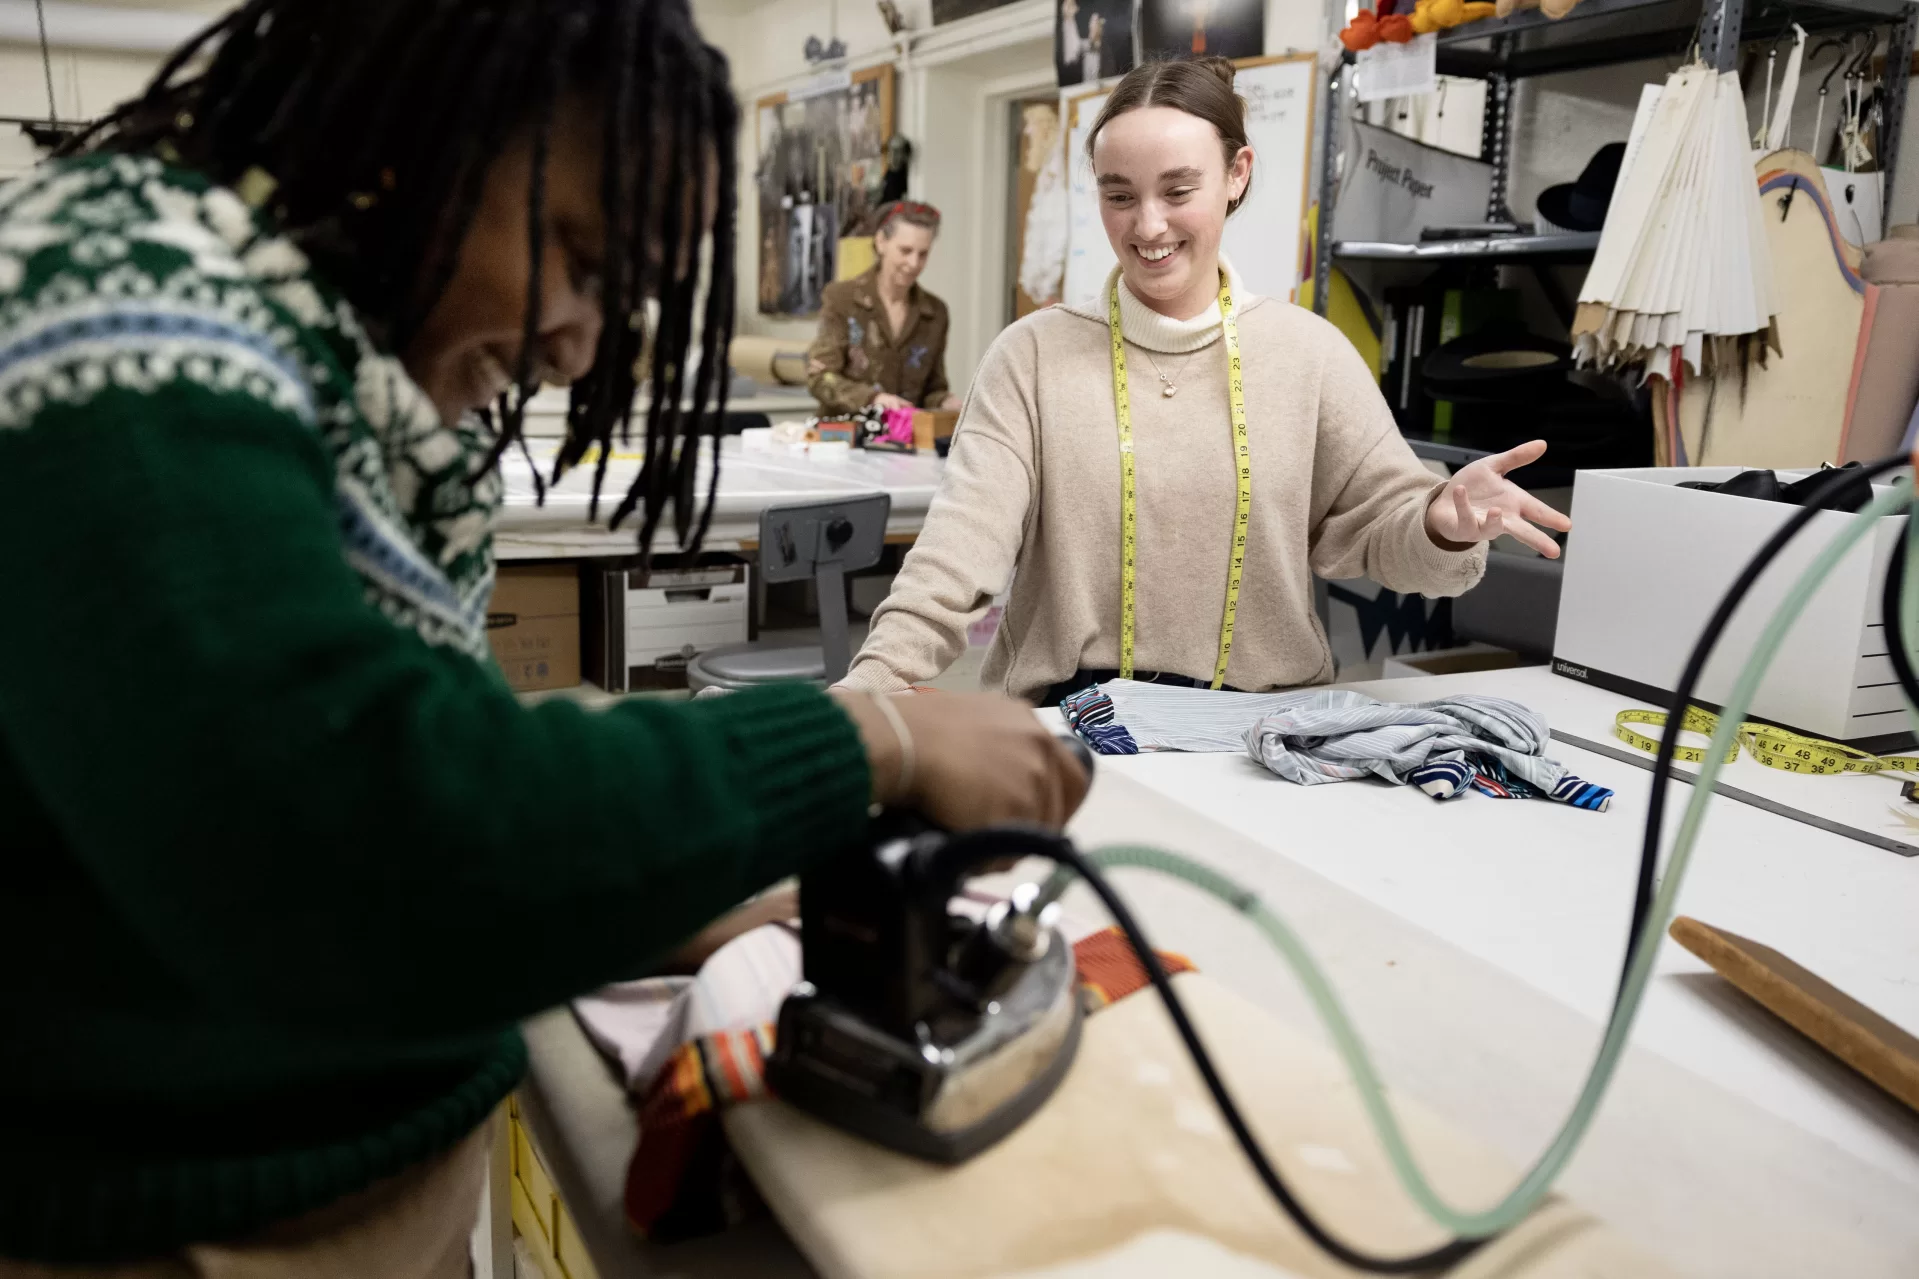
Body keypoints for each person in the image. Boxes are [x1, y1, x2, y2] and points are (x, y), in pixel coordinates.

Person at [0, 1, 1086, 1272]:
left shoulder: (355, 378)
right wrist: (869, 739)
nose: (577, 348)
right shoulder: (127, 313)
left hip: (356, 1193)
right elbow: (359, 837)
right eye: (576, 256)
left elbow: (414, 778)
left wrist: (676, 909)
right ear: (416, 137)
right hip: (183, 1232)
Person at [840, 58, 1571, 706]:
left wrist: (1441, 522)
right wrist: (865, 688)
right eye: (1118, 195)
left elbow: (1389, 537)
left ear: (1236, 175)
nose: (1147, 224)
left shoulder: (1307, 354)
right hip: (1070, 726)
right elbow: (955, 552)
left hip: (1264, 732)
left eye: (1177, 189)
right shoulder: (1030, 357)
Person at [805, 200, 962, 415]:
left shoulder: (935, 313)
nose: (914, 263)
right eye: (905, 251)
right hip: (844, 438)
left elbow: (932, 389)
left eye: (923, 254)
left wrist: (945, 402)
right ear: (881, 242)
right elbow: (820, 378)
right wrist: (873, 399)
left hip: (904, 441)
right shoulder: (842, 299)